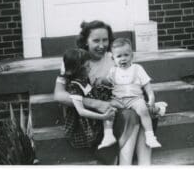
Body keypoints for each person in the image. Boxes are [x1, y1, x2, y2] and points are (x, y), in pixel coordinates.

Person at [53, 20, 158, 165]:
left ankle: (144, 163)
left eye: (105, 40)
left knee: (144, 110)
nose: (102, 45)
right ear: (85, 41)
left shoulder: (114, 57)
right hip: (94, 116)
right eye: (96, 40)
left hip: (116, 103)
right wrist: (95, 103)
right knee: (130, 115)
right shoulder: (76, 60)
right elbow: (59, 94)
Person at [96, 38, 166, 149]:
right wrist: (102, 80)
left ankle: (150, 136)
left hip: (134, 99)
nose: (123, 59)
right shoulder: (113, 71)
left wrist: (151, 100)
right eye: (119, 56)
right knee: (107, 109)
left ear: (132, 56)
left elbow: (148, 88)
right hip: (118, 99)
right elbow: (108, 83)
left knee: (143, 109)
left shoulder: (137, 68)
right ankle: (108, 135)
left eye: (126, 55)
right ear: (113, 58)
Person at [61, 48, 116, 148]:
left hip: (93, 117)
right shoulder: (74, 87)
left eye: (89, 65)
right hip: (85, 127)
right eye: (86, 67)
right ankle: (108, 135)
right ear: (76, 70)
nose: (89, 69)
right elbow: (81, 111)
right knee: (111, 109)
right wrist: (103, 117)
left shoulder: (84, 79)